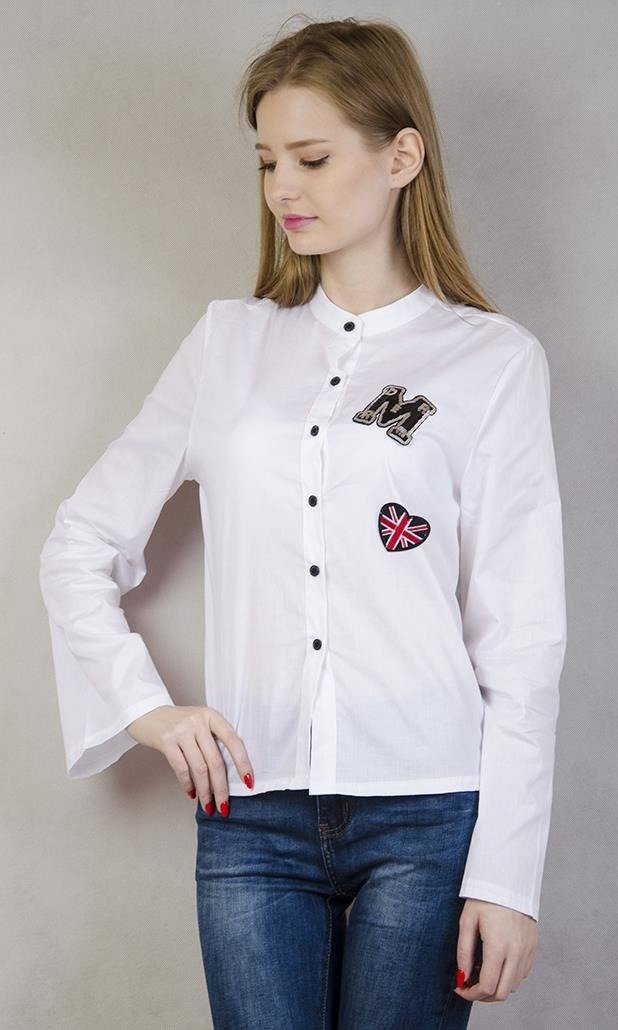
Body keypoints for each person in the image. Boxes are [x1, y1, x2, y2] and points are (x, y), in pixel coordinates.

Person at [38, 14, 567, 1030]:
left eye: (313, 159)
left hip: (428, 814)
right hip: (251, 818)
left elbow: (522, 634)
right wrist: (150, 709)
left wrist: (507, 877)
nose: (283, 187)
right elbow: (79, 545)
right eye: (268, 161)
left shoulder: (493, 362)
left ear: (401, 156)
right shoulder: (226, 346)